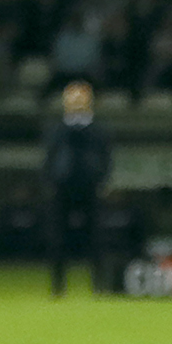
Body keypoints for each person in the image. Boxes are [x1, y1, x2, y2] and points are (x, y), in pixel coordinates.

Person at [43, 81, 112, 296]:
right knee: (58, 237)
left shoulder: (98, 130)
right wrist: (49, 181)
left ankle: (99, 284)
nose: (77, 102)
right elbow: (49, 157)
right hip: (62, 186)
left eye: (81, 98)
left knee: (96, 236)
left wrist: (103, 180)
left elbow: (106, 157)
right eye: (72, 98)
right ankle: (58, 285)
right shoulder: (57, 129)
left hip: (90, 186)